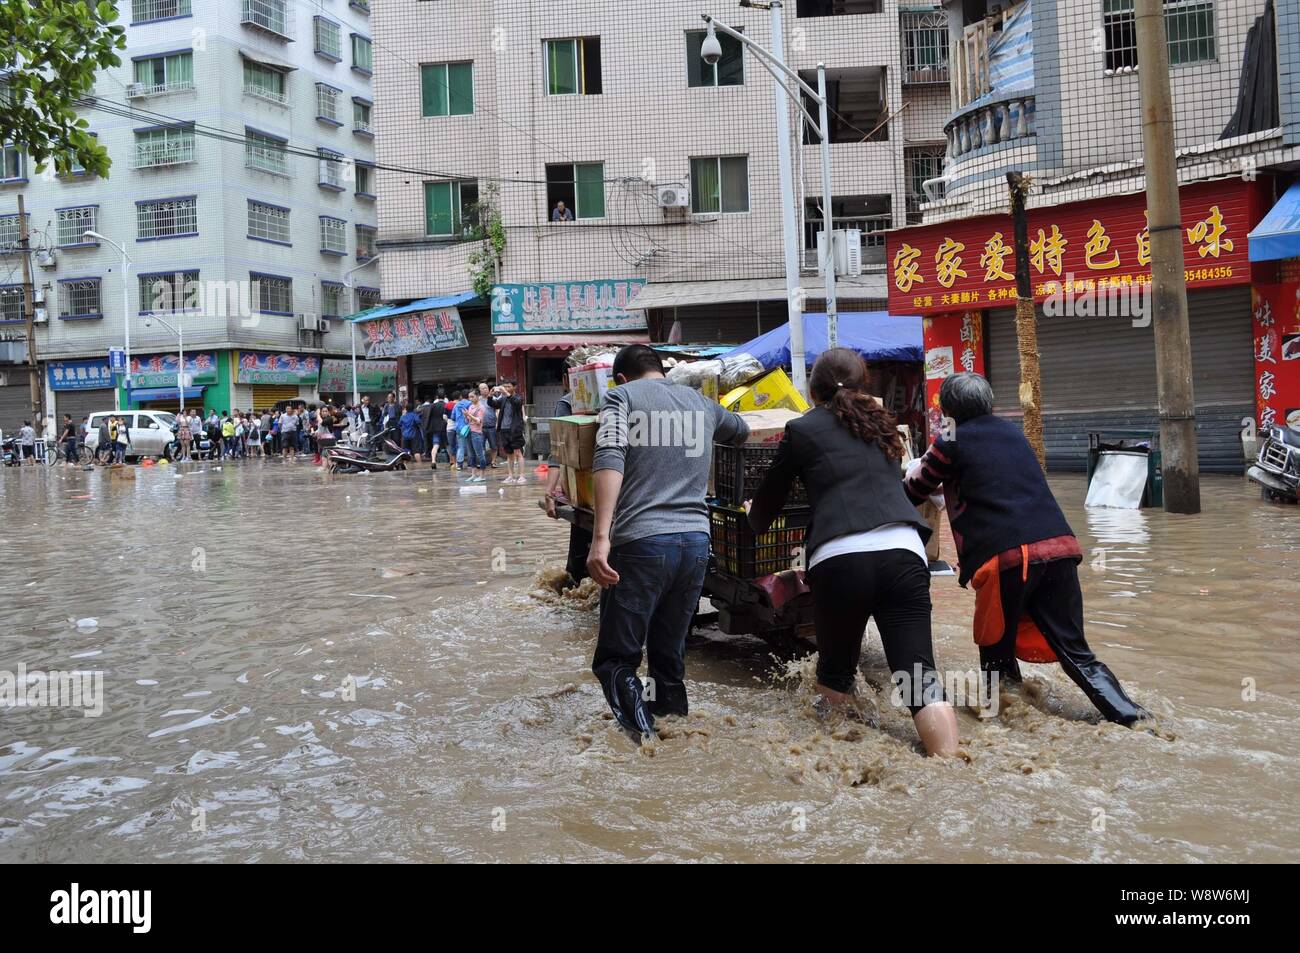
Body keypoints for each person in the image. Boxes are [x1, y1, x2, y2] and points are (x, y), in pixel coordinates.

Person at [903, 372, 1150, 728]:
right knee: (1076, 651)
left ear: (950, 410)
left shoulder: (950, 439)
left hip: (1008, 557)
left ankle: (1008, 723)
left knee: (994, 648)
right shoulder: (1012, 433)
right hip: (1060, 548)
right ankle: (1133, 717)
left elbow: (916, 489)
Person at [747, 348, 959, 757]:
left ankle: (828, 759)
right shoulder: (883, 424)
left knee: (835, 671)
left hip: (840, 557)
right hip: (905, 551)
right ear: (865, 384)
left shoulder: (801, 429)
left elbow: (767, 502)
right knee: (918, 675)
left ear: (813, 389)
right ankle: (949, 767)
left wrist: (753, 520)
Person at [586, 345, 750, 742]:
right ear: (660, 370)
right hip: (695, 545)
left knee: (615, 660)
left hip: (642, 543)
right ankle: (675, 734)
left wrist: (600, 538)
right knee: (667, 655)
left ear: (622, 377)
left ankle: (644, 745)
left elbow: (609, 457)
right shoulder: (701, 403)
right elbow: (741, 430)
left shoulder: (620, 397)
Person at [542, 390, 591, 586]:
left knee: (583, 540)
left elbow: (559, 447)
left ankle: (576, 584)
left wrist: (550, 490)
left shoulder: (570, 401)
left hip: (583, 490)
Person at [489, 380, 526, 484]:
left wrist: (506, 393)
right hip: (504, 429)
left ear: (514, 387)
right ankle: (510, 475)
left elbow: (517, 403)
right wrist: (490, 396)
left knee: (518, 453)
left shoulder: (518, 398)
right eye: (505, 386)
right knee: (509, 454)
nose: (506, 388)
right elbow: (494, 404)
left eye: (509, 386)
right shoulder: (504, 399)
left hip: (514, 429)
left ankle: (522, 476)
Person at [463, 391, 488, 482]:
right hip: (469, 431)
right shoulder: (471, 406)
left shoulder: (481, 407)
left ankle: (482, 475)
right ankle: (473, 474)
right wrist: (466, 415)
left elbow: (478, 421)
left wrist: (468, 415)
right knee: (471, 454)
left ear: (477, 396)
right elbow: (468, 420)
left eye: (472, 397)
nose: (471, 399)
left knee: (480, 454)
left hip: (476, 432)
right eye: (469, 397)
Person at [478, 382, 499, 468]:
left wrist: (498, 423)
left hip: (492, 426)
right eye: (482, 388)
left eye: (486, 387)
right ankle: (481, 462)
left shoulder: (493, 399)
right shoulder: (478, 400)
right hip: (481, 427)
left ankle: (493, 462)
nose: (485, 389)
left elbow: (497, 411)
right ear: (479, 390)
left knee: (493, 445)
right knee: (481, 445)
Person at [425, 389, 448, 469]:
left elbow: (429, 417)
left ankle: (433, 461)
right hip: (445, 427)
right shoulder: (446, 405)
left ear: (437, 397)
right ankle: (452, 462)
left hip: (435, 428)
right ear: (445, 396)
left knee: (435, 445)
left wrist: (427, 428)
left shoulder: (433, 405)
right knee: (448, 445)